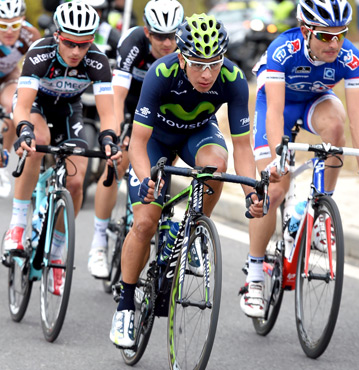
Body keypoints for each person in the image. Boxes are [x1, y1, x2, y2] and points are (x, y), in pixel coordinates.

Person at [109, 12, 266, 348]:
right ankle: (125, 304)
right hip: (156, 140)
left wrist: (250, 190)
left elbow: (242, 146)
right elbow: (137, 143)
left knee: (216, 164)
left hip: (197, 133)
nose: (207, 74)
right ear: (181, 58)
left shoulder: (234, 78)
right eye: (197, 64)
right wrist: (143, 180)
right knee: (145, 222)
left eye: (214, 63)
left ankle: (195, 226)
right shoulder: (161, 72)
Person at [239, 0, 359, 318]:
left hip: (315, 102)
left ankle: (320, 204)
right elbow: (273, 111)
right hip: (277, 107)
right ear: (305, 31)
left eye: (340, 34)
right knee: (273, 190)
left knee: (336, 126)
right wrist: (277, 158)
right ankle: (255, 276)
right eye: (325, 36)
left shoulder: (350, 56)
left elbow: (357, 114)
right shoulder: (282, 50)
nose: (335, 43)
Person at [3, 1, 121, 293]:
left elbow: (109, 113)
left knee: (77, 182)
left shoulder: (97, 61)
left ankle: (56, 254)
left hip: (70, 111)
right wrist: (24, 129)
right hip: (36, 107)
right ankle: (17, 224)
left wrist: (108, 137)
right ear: (57, 35)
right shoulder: (40, 53)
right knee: (37, 142)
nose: (76, 52)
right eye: (69, 43)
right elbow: (24, 104)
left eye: (83, 45)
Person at [87, 0, 184, 278]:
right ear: (147, 32)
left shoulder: (183, 47)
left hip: (163, 108)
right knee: (115, 162)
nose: (168, 43)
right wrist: (116, 137)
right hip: (131, 102)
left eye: (173, 35)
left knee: (162, 162)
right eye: (160, 36)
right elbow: (116, 96)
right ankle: (98, 242)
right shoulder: (133, 42)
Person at [0, 0, 40, 198]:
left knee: (11, 106)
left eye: (14, 25)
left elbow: (35, 68)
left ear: (23, 22)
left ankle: (2, 164)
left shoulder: (31, 35)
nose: (9, 31)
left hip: (8, 74)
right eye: (3, 26)